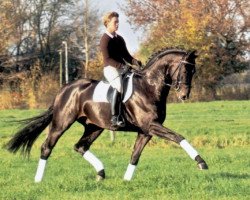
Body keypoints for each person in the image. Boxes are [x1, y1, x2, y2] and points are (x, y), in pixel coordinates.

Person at [100, 11, 141, 128]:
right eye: (115, 22)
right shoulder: (105, 40)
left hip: (122, 68)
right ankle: (115, 117)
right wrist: (122, 66)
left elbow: (126, 56)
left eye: (118, 22)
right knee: (118, 86)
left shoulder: (120, 39)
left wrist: (135, 62)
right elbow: (107, 59)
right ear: (107, 23)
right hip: (110, 69)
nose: (117, 24)